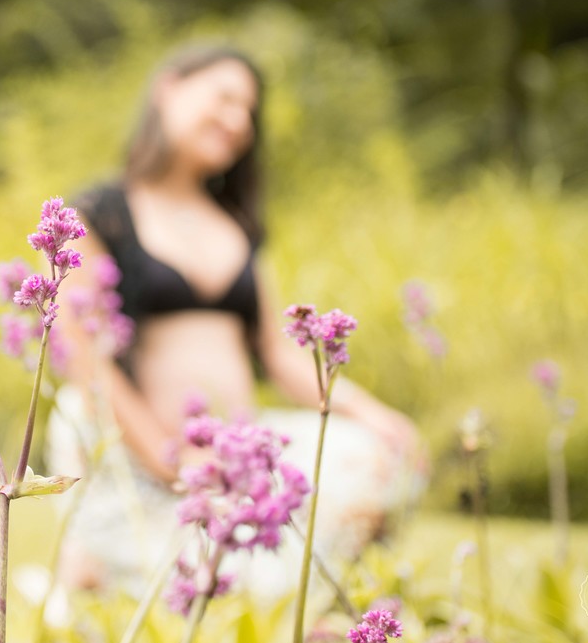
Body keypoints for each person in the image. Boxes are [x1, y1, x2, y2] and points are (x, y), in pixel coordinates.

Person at [44, 43, 427, 608]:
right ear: (169, 88)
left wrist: (372, 413)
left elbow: (276, 352)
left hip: (235, 449)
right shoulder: (99, 212)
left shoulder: (238, 226)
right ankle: (100, 565)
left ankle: (311, 602)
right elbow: (83, 359)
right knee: (225, 587)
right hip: (137, 456)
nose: (239, 121)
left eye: (249, 111)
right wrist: (174, 461)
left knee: (378, 458)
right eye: (224, 98)